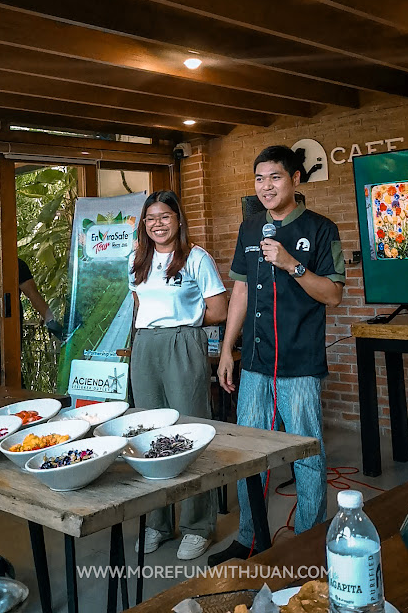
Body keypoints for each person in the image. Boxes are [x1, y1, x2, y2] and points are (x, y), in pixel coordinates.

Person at [208, 145, 345, 566]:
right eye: (259, 178)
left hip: (299, 362)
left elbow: (333, 295)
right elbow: (240, 292)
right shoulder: (250, 228)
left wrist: (291, 264)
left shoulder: (321, 229)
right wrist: (228, 350)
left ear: (295, 179)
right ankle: (251, 538)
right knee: (250, 452)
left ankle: (308, 541)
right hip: (254, 361)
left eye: (275, 177)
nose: (266, 186)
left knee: (306, 452)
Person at [129, 190, 228, 561]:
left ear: (178, 219)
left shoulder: (196, 257)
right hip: (145, 345)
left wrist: (185, 324)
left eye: (165, 216)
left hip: (183, 341)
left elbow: (219, 308)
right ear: (144, 223)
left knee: (189, 430)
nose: (157, 224)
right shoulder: (136, 259)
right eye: (151, 218)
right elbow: (138, 303)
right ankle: (157, 523)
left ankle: (197, 525)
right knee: (148, 433)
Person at [0, 257, 62, 382]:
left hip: (2, 331)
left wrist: (51, 321)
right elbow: (32, 294)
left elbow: (32, 294)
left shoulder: (12, 263)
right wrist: (51, 321)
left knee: (3, 373)